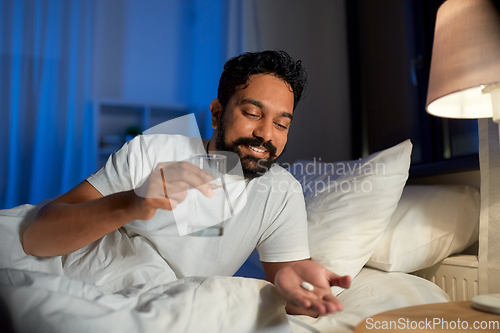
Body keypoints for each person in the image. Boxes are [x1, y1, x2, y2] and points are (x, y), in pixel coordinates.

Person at [21, 50, 350, 317]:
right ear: (218, 113)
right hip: (83, 278)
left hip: (168, 307)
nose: (266, 133)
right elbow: (38, 236)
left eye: (281, 123)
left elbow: (294, 293)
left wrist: (299, 294)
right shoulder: (153, 151)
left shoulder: (281, 192)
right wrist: (133, 202)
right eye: (252, 113)